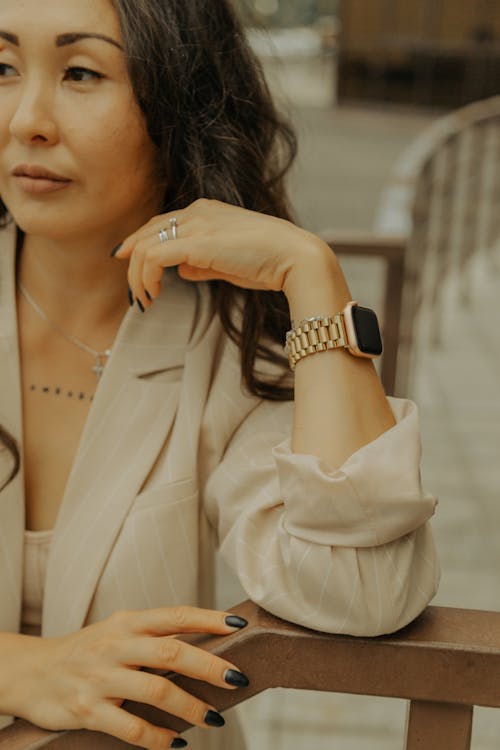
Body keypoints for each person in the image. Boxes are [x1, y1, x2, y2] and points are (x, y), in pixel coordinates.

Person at [0, 0, 440, 749]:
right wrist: (24, 670)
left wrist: (312, 277)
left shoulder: (226, 347)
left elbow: (363, 595)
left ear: (177, 101)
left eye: (80, 71)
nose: (26, 120)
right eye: (3, 67)